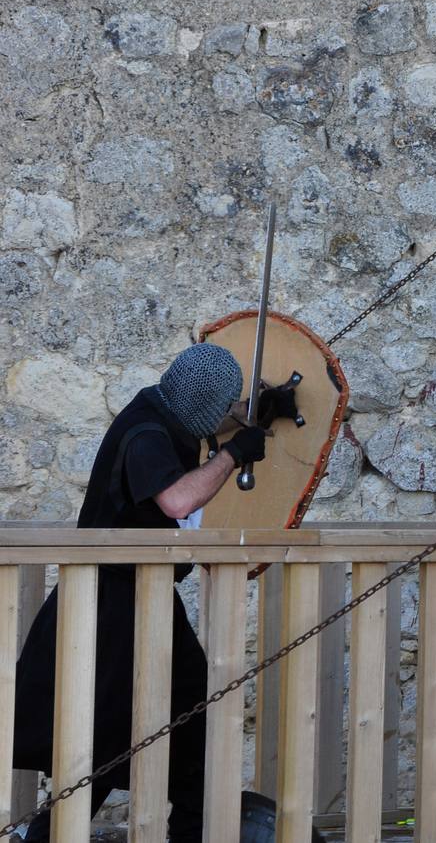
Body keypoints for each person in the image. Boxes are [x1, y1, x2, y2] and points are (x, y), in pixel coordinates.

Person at [12, 342, 275, 842]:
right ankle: (46, 837)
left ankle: (191, 830)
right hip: (111, 606)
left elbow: (205, 422)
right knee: (100, 739)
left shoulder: (160, 405)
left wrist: (255, 413)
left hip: (145, 597)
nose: (227, 415)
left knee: (192, 712)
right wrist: (233, 453)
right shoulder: (147, 434)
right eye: (225, 406)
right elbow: (177, 498)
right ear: (200, 401)